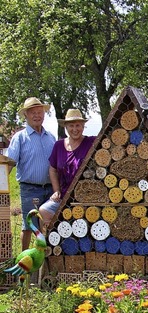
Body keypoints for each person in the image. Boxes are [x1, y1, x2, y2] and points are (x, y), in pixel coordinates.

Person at [6, 97, 56, 250]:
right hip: (29, 189)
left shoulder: (51, 137)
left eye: (39, 112)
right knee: (28, 225)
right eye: (33, 112)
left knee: (48, 223)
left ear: (44, 114)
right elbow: (9, 163)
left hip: (50, 189)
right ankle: (24, 259)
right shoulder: (19, 138)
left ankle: (45, 259)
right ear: (26, 115)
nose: (37, 115)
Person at [39, 109, 96, 227]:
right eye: (71, 125)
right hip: (64, 197)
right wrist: (56, 191)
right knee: (44, 210)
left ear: (83, 126)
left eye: (78, 125)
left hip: (86, 196)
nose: (75, 129)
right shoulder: (59, 145)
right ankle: (52, 243)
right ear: (65, 126)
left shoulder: (91, 142)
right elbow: (53, 169)